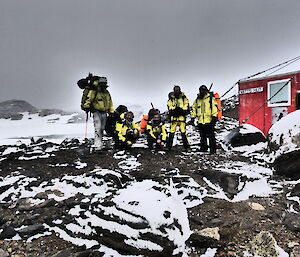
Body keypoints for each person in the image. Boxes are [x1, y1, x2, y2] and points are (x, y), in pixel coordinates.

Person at [82, 76, 114, 151]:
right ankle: (97, 145)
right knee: (98, 127)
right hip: (96, 111)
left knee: (102, 128)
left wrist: (111, 111)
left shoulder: (106, 92)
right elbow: (89, 99)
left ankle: (99, 143)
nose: (103, 85)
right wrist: (86, 106)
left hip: (104, 112)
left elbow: (110, 103)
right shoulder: (94, 91)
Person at [191, 85, 218, 154]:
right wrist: (192, 117)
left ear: (206, 90)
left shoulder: (210, 99)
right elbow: (194, 109)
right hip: (200, 121)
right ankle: (204, 148)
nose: (202, 91)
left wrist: (214, 117)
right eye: (201, 90)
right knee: (202, 136)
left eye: (203, 90)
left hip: (209, 120)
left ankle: (213, 150)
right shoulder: (197, 100)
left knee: (211, 136)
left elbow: (214, 108)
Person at [167, 85, 190, 150]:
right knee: (171, 133)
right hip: (174, 119)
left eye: (178, 90)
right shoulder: (171, 99)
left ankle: (187, 147)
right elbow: (169, 106)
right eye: (175, 90)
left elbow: (186, 105)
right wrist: (174, 110)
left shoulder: (184, 98)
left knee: (183, 133)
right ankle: (168, 147)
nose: (177, 91)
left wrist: (181, 110)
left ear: (180, 90)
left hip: (181, 119)